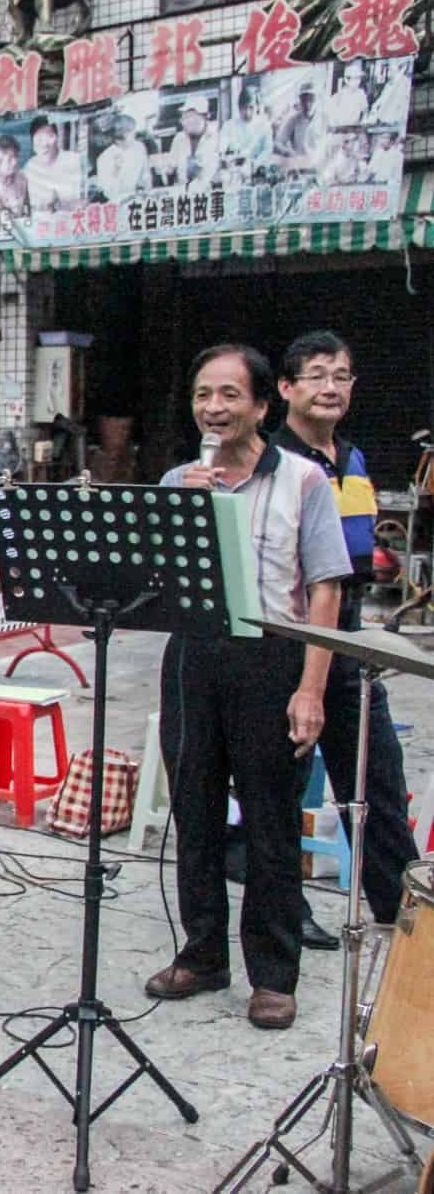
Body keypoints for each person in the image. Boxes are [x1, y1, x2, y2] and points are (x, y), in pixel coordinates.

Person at [147, 344, 348, 1031]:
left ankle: (273, 972)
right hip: (194, 654)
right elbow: (154, 580)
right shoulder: (181, 479)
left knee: (269, 819)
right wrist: (184, 518)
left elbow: (326, 588)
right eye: (204, 394)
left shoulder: (303, 480)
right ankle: (203, 952)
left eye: (229, 394)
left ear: (263, 404)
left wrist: (310, 689)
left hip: (272, 657)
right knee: (196, 810)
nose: (214, 407)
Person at [273, 332, 419, 935]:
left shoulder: (351, 457)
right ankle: (287, 911)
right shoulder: (273, 462)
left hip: (352, 634)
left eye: (341, 376)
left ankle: (403, 908)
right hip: (290, 637)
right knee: (282, 788)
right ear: (286, 389)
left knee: (377, 778)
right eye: (316, 376)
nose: (331, 387)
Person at [24, 118, 84, 212]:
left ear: (57, 138)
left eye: (49, 137)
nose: (44, 144)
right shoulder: (30, 167)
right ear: (33, 145)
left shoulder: (75, 159)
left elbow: (86, 196)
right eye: (39, 139)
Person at [95, 113, 149, 201]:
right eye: (131, 133)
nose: (135, 136)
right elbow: (108, 191)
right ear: (119, 137)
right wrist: (116, 170)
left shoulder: (140, 147)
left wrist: (144, 188)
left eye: (134, 132)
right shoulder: (105, 158)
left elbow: (146, 174)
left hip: (139, 199)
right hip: (118, 203)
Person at [168, 101, 220, 190]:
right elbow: (170, 168)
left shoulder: (216, 139)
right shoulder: (178, 139)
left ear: (204, 117)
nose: (185, 122)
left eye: (190, 117)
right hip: (182, 196)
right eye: (184, 118)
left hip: (209, 194)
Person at [0, 134, 31, 218]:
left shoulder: (22, 178)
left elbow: (27, 207)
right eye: (10, 159)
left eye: (16, 157)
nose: (15, 162)